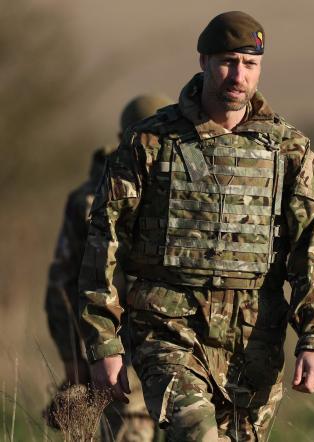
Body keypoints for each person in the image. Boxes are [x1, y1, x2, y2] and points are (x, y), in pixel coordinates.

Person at [78, 11, 314, 441]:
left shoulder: (289, 151)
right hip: (168, 330)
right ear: (203, 61)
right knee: (196, 434)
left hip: (254, 341)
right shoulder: (151, 142)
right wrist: (103, 342)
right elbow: (104, 239)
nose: (238, 75)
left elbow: (313, 249)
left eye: (249, 64)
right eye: (227, 62)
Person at [45, 94, 173, 441]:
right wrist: (74, 361)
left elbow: (60, 284)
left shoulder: (182, 194)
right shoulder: (92, 199)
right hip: (120, 349)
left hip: (153, 350)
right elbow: (62, 284)